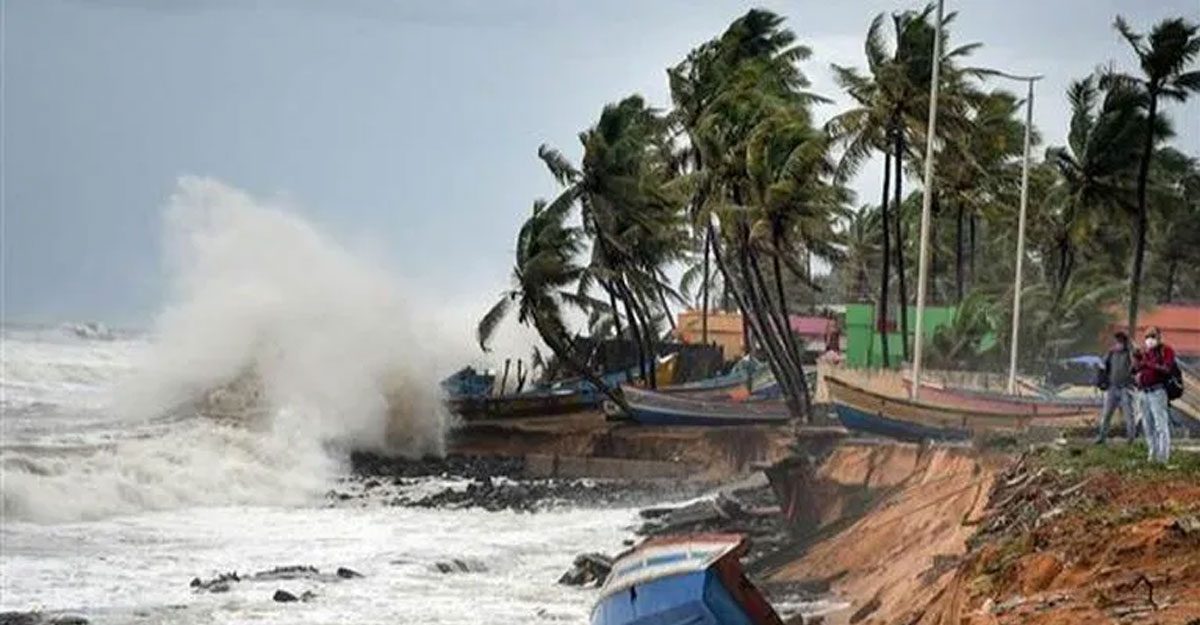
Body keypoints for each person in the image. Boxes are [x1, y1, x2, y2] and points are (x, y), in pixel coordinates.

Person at [1132, 326, 1176, 464]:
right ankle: (1152, 456)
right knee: (1148, 426)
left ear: (1158, 338)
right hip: (1143, 392)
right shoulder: (1145, 352)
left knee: (1160, 426)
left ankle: (1163, 459)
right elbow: (1134, 370)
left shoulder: (1166, 351)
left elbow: (1166, 369)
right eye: (1147, 337)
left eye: (1152, 337)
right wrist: (1136, 358)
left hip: (1158, 391)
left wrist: (1147, 363)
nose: (1149, 340)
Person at [1095, 332, 1136, 444]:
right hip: (1112, 388)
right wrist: (1102, 381)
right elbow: (1103, 366)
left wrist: (1131, 348)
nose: (1118, 345)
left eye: (1120, 342)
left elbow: (1135, 365)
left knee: (1129, 415)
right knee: (1107, 414)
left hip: (1126, 388)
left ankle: (1131, 438)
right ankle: (1102, 436)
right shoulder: (1111, 354)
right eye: (1117, 342)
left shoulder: (1129, 354)